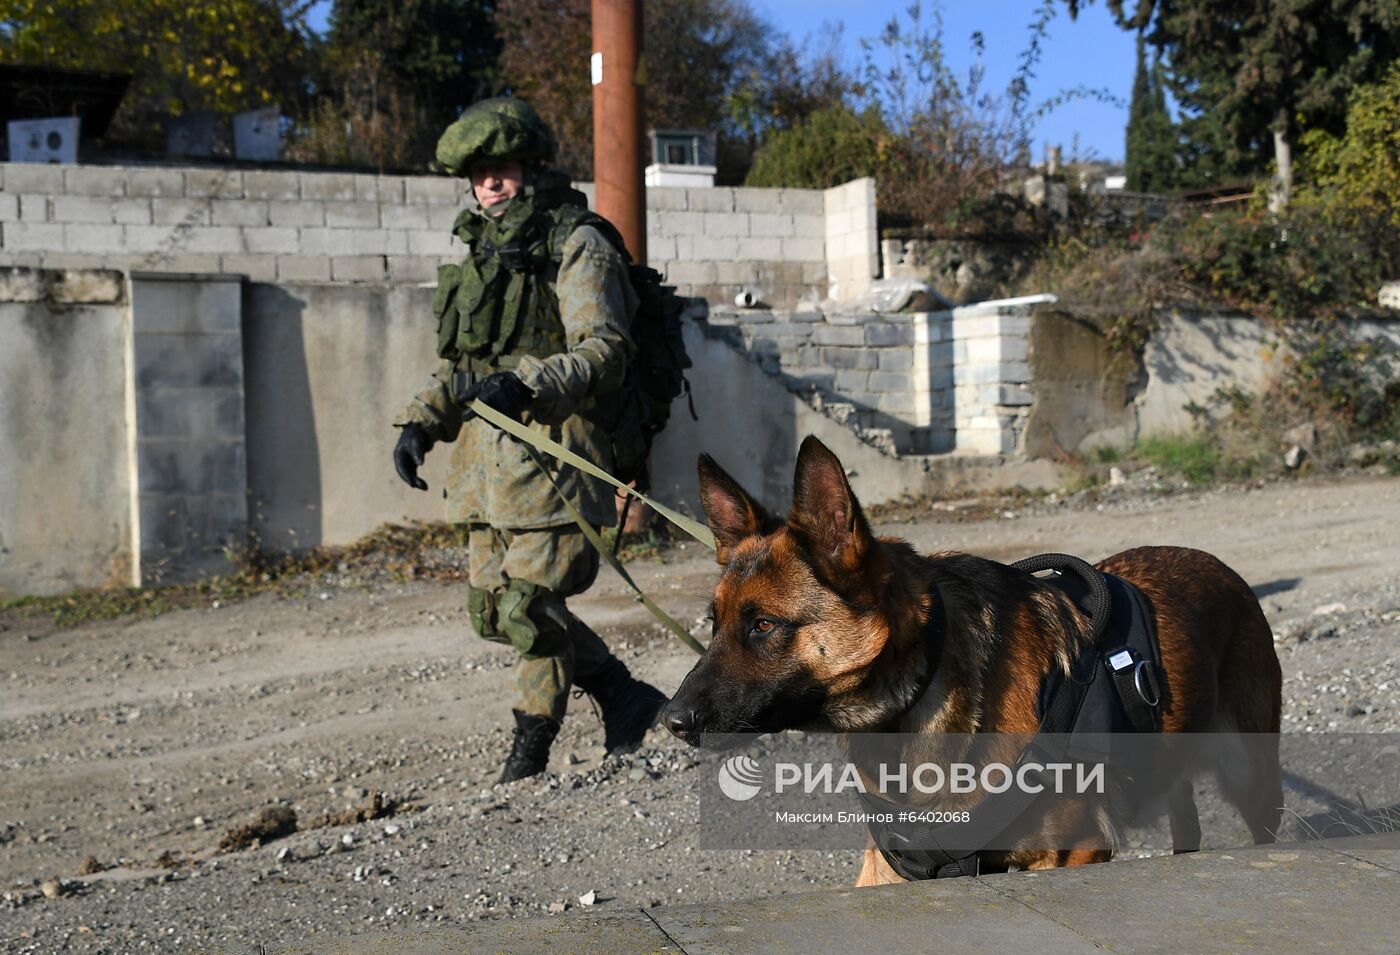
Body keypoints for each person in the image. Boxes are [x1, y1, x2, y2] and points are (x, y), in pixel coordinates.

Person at [392, 97, 667, 783]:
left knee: (528, 606)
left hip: (556, 463)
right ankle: (622, 694)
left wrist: (531, 382)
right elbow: (461, 368)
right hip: (486, 471)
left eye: (503, 168)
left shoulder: (577, 243)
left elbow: (607, 348)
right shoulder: (480, 258)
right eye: (480, 173)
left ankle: (528, 755)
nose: (491, 183)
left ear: (531, 169)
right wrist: (422, 421)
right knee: (494, 611)